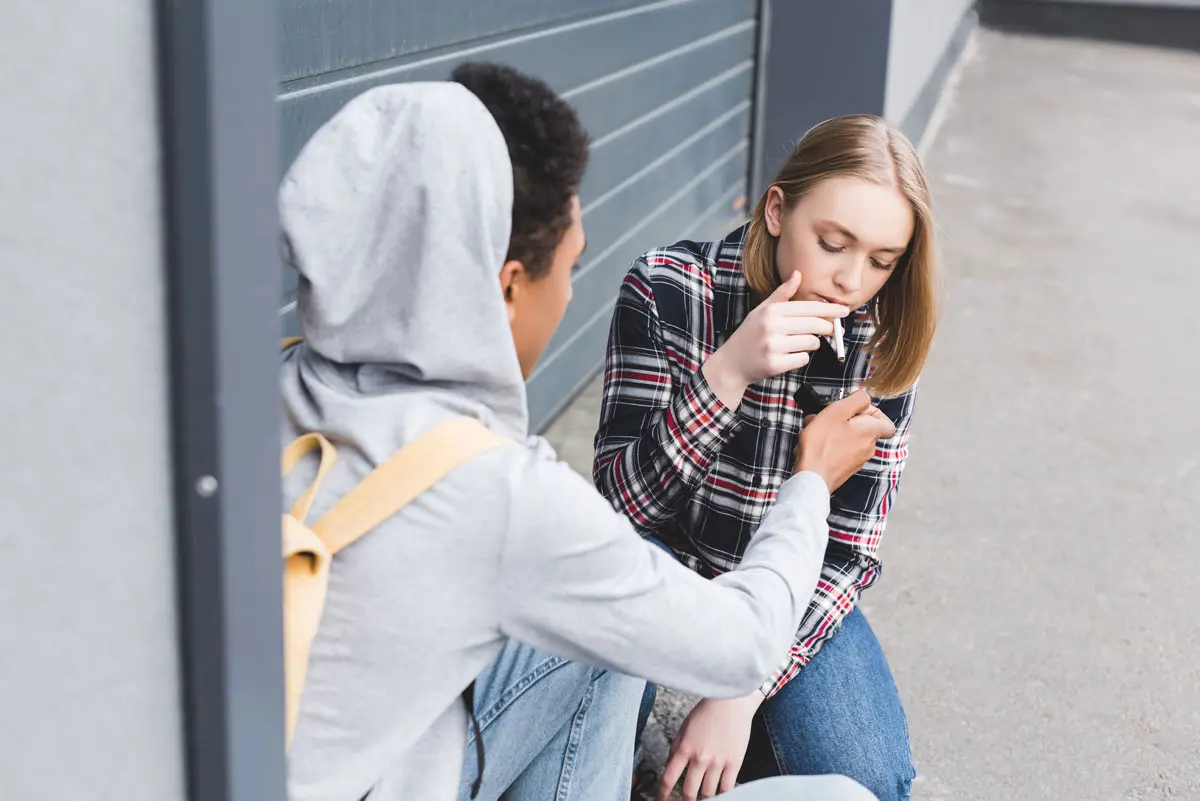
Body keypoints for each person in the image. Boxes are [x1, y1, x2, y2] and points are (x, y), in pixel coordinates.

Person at [279, 64, 895, 801]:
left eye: (883, 260)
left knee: (602, 634)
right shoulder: (502, 491)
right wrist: (807, 481)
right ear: (508, 287)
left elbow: (846, 556)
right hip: (400, 770)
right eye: (570, 265)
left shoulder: (260, 392)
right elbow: (738, 640)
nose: (572, 293)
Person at [593, 115, 939, 801]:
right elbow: (618, 511)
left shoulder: (885, 340)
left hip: (790, 585)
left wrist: (741, 695)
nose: (850, 281)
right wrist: (727, 374)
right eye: (833, 243)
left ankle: (736, 755)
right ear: (777, 210)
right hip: (659, 561)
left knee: (868, 780)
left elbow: (847, 553)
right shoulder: (668, 289)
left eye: (881, 260)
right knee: (593, 758)